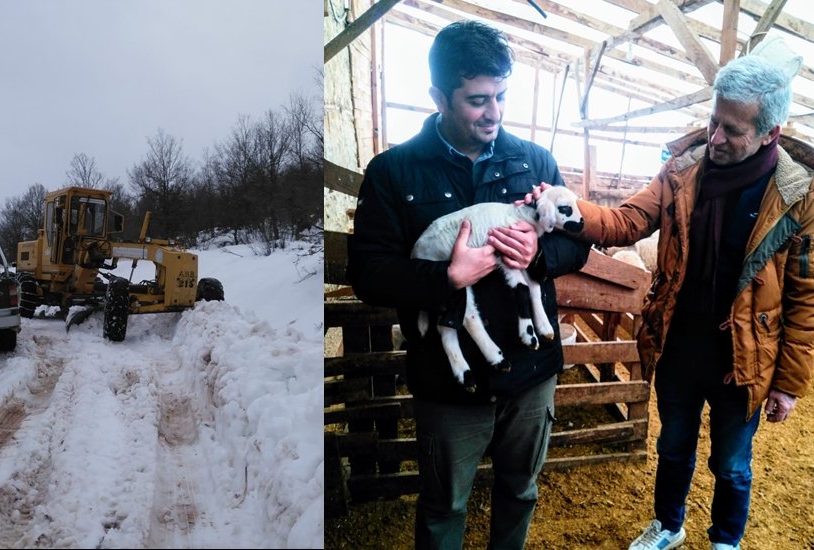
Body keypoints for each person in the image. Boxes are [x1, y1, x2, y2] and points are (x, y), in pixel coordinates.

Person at [523, 52, 813, 550]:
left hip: (744, 356)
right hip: (679, 342)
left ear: (771, 133)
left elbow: (805, 298)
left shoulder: (798, 197)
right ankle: (669, 525)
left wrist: (788, 384)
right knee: (673, 444)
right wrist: (569, 206)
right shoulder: (683, 171)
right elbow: (626, 222)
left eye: (732, 130)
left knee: (732, 463)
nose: (715, 138)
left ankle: (726, 540)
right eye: (713, 121)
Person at [346, 20, 590, 549]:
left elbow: (578, 243)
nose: (494, 112)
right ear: (439, 97)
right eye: (478, 100)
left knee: (520, 490)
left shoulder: (534, 162)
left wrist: (540, 255)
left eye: (501, 96)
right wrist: (445, 277)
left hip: (530, 372)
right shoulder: (394, 172)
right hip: (448, 380)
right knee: (444, 505)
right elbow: (368, 273)